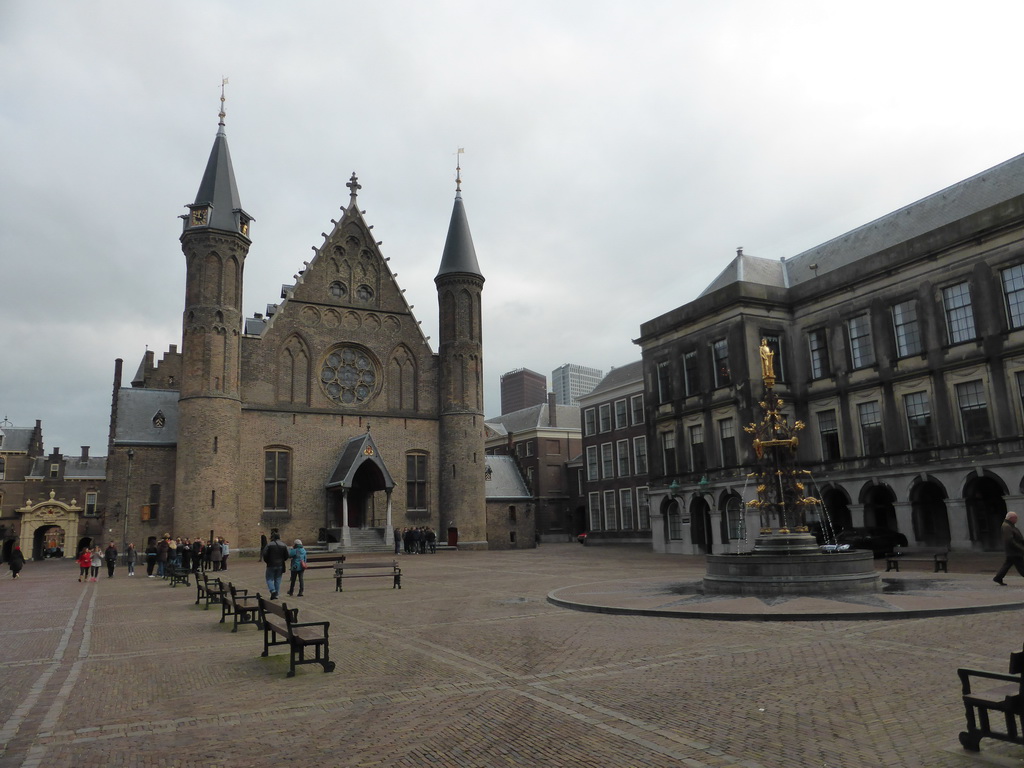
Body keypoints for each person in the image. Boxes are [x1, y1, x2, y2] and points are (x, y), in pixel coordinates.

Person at [994, 511, 1024, 585]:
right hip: (1014, 551)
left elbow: (1017, 537)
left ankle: (998, 578)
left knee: (1007, 564)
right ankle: (998, 578)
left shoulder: (1010, 525)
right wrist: (1020, 548)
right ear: (1011, 518)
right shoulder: (1007, 526)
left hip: (1013, 551)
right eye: (1015, 518)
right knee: (1021, 566)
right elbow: (1009, 540)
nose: (1016, 519)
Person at [261, 530, 289, 599]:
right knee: (278, 579)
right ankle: (276, 594)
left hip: (271, 564)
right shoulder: (284, 545)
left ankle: (273, 590)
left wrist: (267, 561)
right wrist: (282, 560)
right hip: (280, 565)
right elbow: (287, 555)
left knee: (269, 578)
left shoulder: (269, 545)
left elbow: (265, 554)